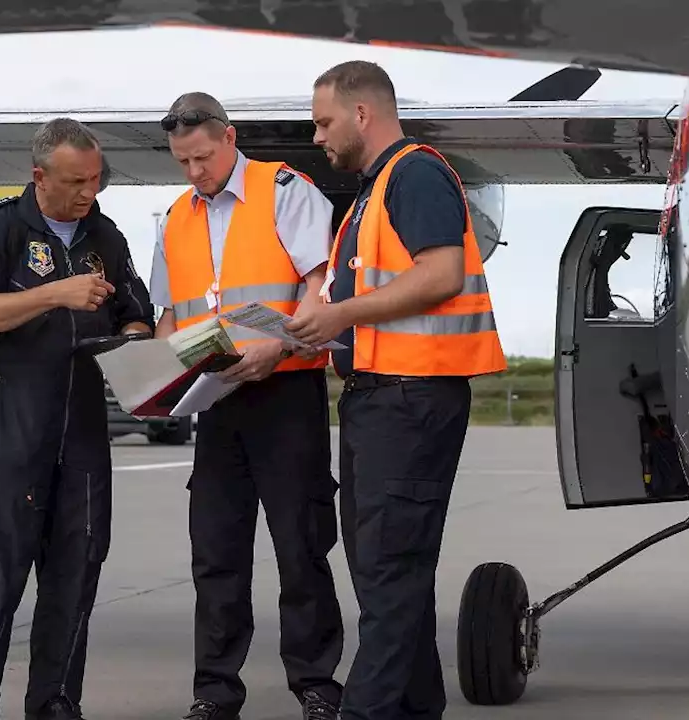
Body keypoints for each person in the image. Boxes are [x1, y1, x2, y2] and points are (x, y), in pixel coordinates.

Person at [285, 60, 508, 720]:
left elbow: (441, 275)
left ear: (362, 114)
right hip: (380, 399)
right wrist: (317, 326)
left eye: (324, 123)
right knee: (390, 577)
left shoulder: (416, 175)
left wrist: (341, 316)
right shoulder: (373, 192)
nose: (318, 138)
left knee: (388, 577)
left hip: (411, 401)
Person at [0, 118, 155, 720]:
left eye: (96, 180)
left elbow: (134, 313)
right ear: (39, 177)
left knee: (74, 584)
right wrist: (55, 293)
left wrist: (135, 342)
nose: (89, 193)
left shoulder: (106, 238)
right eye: (75, 182)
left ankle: (57, 706)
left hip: (84, 440)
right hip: (9, 438)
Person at [148, 92, 344, 720]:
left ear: (229, 138)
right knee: (216, 551)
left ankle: (316, 685)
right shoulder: (176, 217)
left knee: (300, 544)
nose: (194, 173)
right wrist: (152, 380)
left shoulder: (286, 190)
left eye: (202, 157)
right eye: (183, 162)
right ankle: (214, 692)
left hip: (285, 392)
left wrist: (276, 352)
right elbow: (170, 319)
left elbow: (321, 288)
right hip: (216, 402)